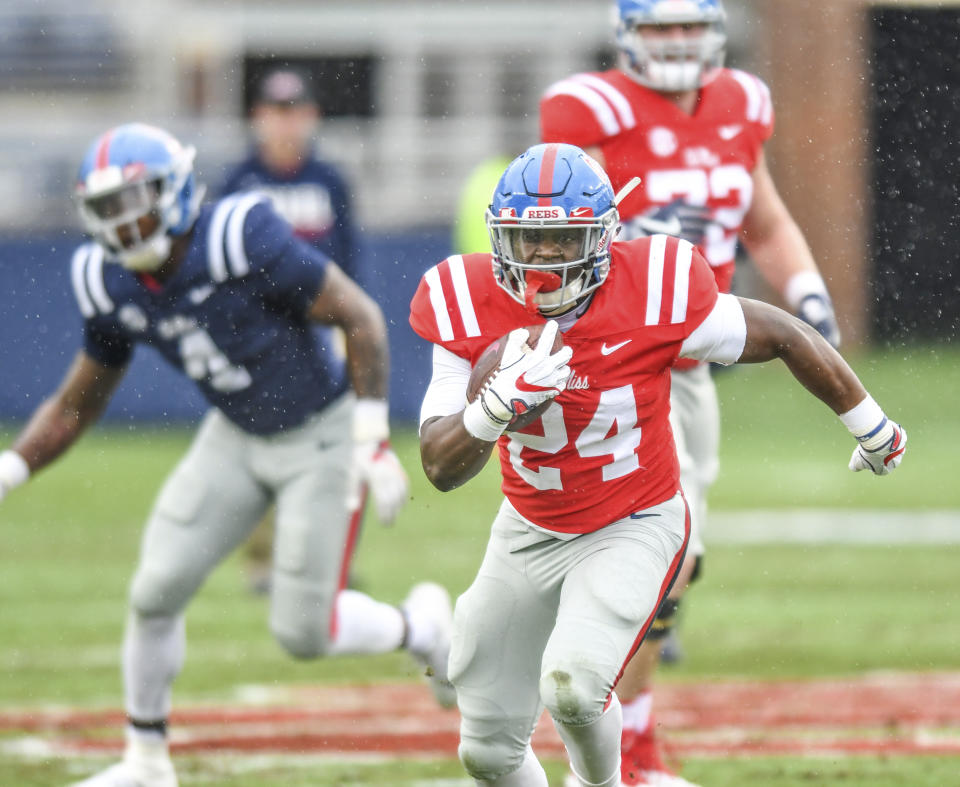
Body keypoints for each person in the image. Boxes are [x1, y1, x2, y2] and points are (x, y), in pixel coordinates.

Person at [408, 143, 905, 787]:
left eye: (565, 241)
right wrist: (494, 408)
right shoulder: (464, 298)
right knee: (486, 752)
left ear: (603, 237)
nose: (544, 260)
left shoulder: (652, 287)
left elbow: (782, 334)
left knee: (573, 685)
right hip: (529, 526)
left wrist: (870, 425)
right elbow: (440, 466)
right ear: (502, 237)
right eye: (528, 240)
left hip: (633, 517)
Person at [0, 123, 456, 787]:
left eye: (138, 200)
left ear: (178, 190)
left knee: (305, 631)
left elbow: (357, 315)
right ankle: (147, 759)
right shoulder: (107, 281)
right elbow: (78, 401)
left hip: (317, 434)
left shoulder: (240, 236)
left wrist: (371, 436)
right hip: (235, 435)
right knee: (155, 589)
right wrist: (12, 467)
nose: (126, 223)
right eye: (109, 210)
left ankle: (424, 627)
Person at [539, 2, 842, 782]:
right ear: (627, 36)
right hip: (619, 359)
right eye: (659, 28)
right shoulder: (590, 109)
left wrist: (806, 293)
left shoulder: (741, 103)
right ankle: (616, 752)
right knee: (649, 552)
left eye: (687, 28)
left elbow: (763, 221)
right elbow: (550, 229)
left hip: (692, 360)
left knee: (680, 555)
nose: (675, 44)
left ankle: (626, 744)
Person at [219, 65, 364, 595]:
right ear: (258, 118)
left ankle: (332, 561)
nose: (285, 124)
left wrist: (350, 331)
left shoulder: (329, 181)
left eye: (294, 111)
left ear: (311, 117)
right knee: (262, 444)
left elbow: (348, 264)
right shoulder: (241, 182)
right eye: (275, 112)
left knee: (340, 446)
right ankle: (262, 559)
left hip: (321, 328)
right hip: (261, 336)